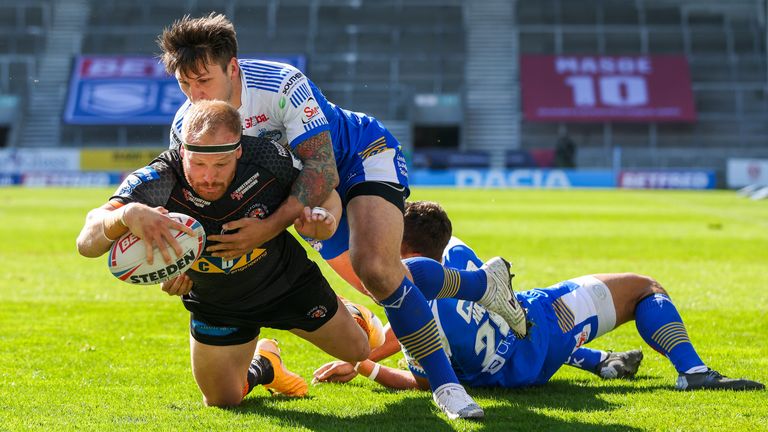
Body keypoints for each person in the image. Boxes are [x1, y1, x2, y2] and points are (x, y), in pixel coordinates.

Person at [157, 13, 528, 419]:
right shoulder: (187, 125)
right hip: (308, 192)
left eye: (203, 80)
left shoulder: (281, 84)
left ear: (233, 67)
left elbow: (321, 169)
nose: (195, 95)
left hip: (359, 158)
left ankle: (448, 388)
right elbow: (198, 204)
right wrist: (185, 260)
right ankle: (482, 284)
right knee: (383, 284)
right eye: (185, 84)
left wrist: (266, 228)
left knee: (377, 267)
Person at [75, 100, 381, 407]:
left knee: (359, 351)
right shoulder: (159, 180)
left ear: (238, 151)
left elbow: (325, 194)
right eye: (197, 164)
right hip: (216, 303)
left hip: (286, 284)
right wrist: (126, 214)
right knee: (221, 400)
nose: (209, 177)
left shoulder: (266, 159)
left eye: (220, 164)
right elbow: (86, 242)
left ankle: (350, 312)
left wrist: (324, 224)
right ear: (182, 151)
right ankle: (266, 366)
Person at [314, 201, 765, 393]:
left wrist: (366, 365)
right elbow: (444, 239)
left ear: (401, 249)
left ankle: (597, 361)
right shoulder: (461, 254)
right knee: (644, 288)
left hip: (505, 377)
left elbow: (423, 381)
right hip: (546, 329)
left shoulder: (414, 323)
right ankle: (692, 371)